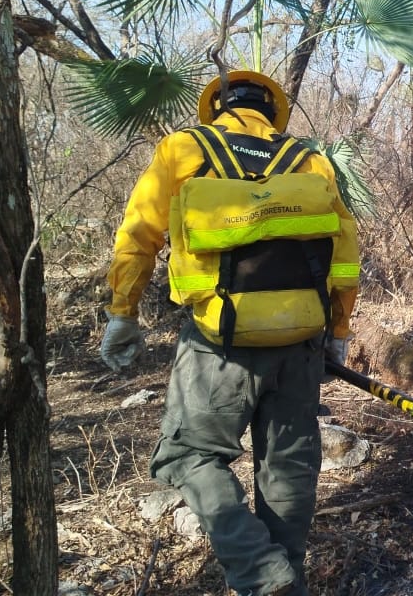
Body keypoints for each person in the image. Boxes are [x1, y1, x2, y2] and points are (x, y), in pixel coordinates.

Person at [98, 70, 360, 596]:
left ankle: (262, 575)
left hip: (218, 343)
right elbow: (345, 252)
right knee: (287, 467)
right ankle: (286, 579)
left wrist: (123, 312)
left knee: (187, 455)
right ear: (273, 111)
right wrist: (338, 329)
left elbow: (139, 233)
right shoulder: (309, 161)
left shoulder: (183, 148)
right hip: (301, 340)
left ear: (215, 107)